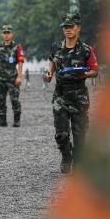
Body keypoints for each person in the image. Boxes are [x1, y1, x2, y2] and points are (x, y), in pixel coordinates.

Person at [43, 13, 99, 174]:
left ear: (78, 28)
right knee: (61, 133)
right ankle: (66, 156)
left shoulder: (86, 50)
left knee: (79, 134)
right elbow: (52, 63)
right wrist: (48, 74)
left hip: (79, 96)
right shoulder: (56, 47)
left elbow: (95, 71)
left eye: (71, 26)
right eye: (65, 27)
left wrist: (85, 74)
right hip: (60, 95)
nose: (68, 30)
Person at [0, 25, 25, 127]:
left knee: (14, 99)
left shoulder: (17, 47)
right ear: (2, 34)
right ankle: (2, 120)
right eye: (4, 33)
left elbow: (20, 62)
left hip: (12, 78)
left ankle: (16, 120)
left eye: (8, 33)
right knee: (0, 99)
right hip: (0, 78)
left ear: (12, 34)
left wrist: (19, 76)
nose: (6, 35)